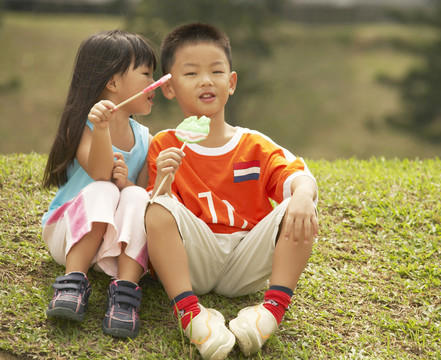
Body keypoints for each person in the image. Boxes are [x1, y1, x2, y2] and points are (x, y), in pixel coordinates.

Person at [145, 23, 319, 359]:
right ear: (169, 88)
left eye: (216, 71)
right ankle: (192, 316)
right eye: (191, 73)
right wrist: (165, 177)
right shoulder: (164, 145)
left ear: (232, 82)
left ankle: (269, 313)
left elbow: (300, 177)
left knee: (301, 202)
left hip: (247, 262)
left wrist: (301, 194)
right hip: (194, 261)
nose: (206, 80)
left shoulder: (253, 144)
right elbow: (158, 216)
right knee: (156, 207)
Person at [41, 30, 156, 338]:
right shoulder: (82, 124)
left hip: (110, 244)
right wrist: (103, 129)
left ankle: (126, 293)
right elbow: (100, 173)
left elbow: (144, 194)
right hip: (68, 236)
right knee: (105, 188)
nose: (154, 82)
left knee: (136, 196)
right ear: (113, 82)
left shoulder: (146, 139)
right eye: (146, 73)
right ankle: (72, 281)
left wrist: (129, 184)